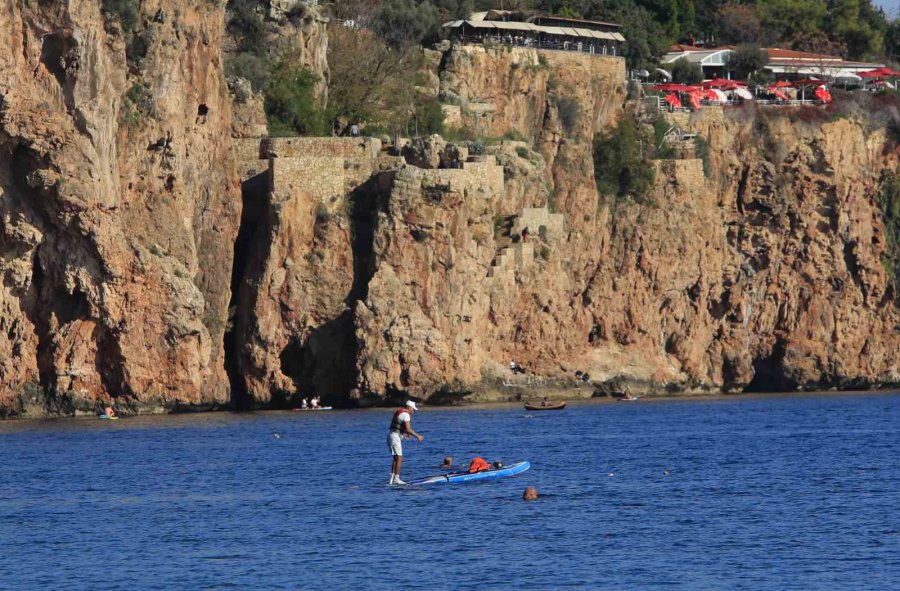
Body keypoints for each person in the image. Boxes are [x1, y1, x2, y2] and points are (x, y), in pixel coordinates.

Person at [387, 401, 424, 485]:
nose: (413, 412)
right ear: (408, 407)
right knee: (399, 458)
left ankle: (392, 479)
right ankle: (397, 479)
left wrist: (403, 435)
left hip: (391, 436)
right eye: (413, 409)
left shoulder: (399, 411)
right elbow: (408, 429)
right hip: (394, 437)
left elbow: (398, 426)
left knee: (395, 458)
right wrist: (418, 436)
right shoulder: (406, 414)